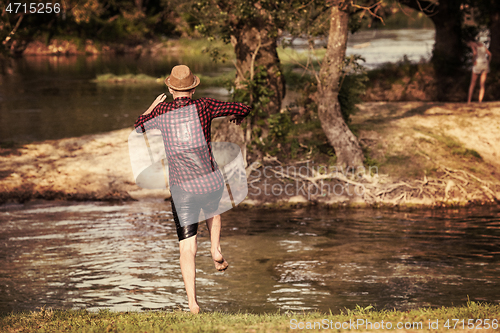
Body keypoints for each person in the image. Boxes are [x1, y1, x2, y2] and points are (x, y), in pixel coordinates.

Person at [134, 65, 250, 314]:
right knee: (213, 208)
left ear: (170, 88)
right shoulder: (205, 105)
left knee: (187, 247)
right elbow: (242, 107)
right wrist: (238, 116)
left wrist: (152, 107)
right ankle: (215, 248)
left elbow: (138, 127)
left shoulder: (162, 110)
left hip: (182, 188)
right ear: (193, 88)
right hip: (210, 181)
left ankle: (193, 304)